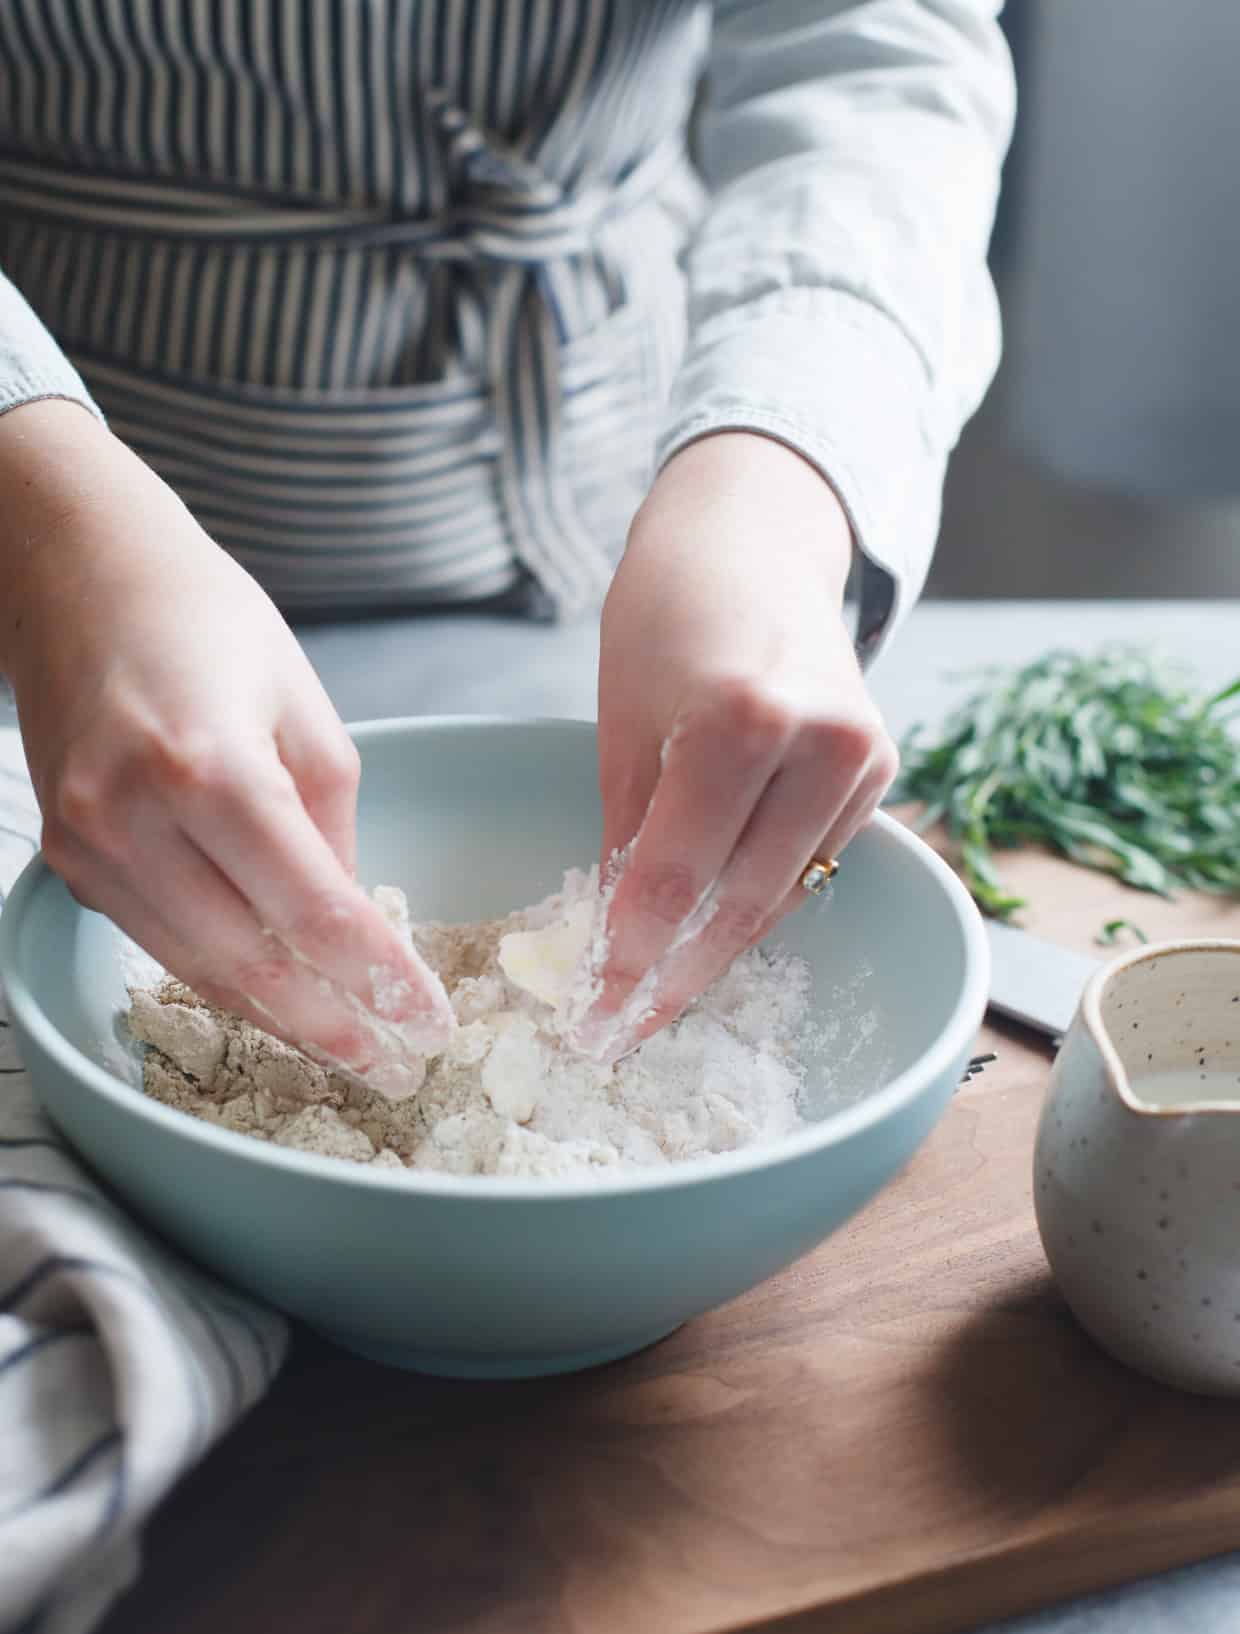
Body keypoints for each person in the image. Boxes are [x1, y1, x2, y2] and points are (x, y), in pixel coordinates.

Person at [0, 1, 1014, 1086]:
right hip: (66, 514)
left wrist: (775, 478)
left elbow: (869, 48)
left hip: (617, 489)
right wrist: (49, 526)